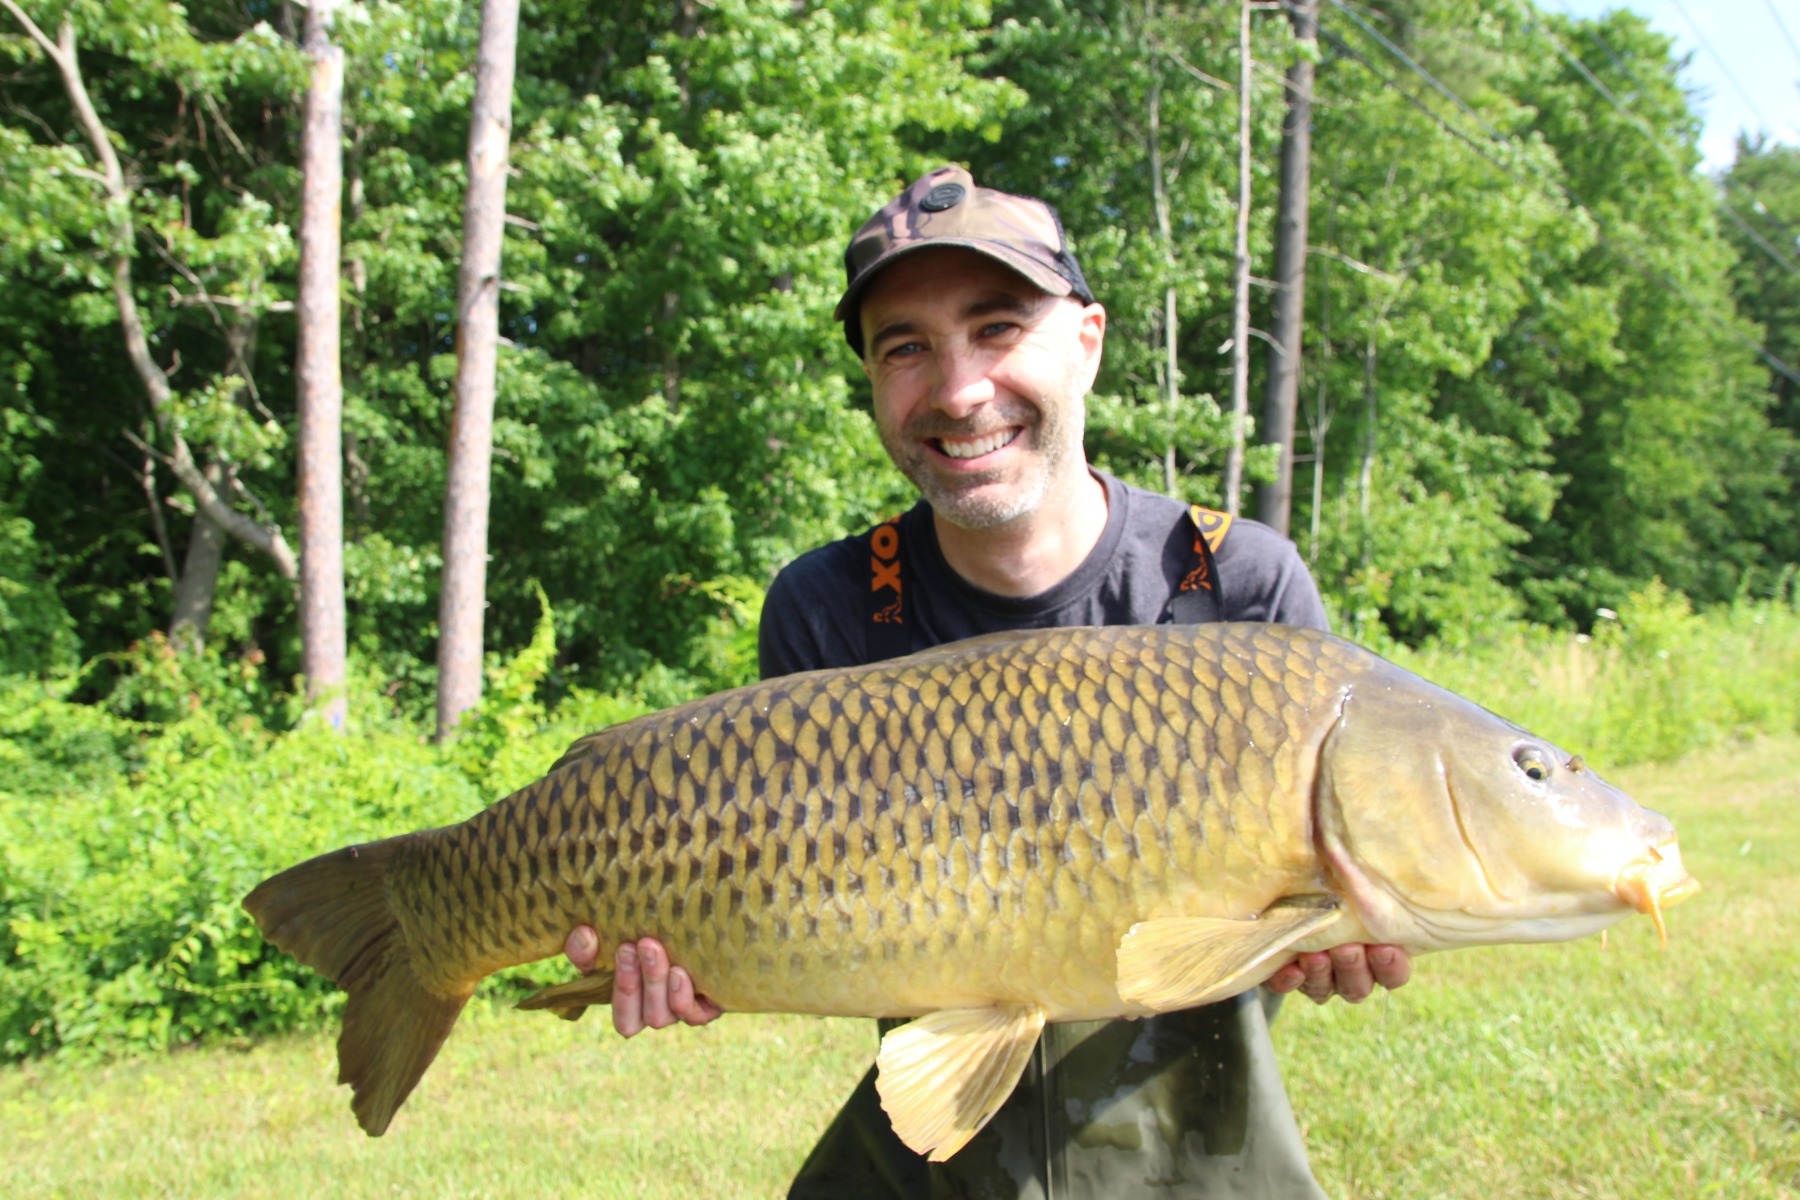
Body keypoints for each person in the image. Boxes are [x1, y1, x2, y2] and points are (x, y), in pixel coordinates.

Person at [563, 166, 1412, 1198]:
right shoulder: (829, 605)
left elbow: (1312, 906)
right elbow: (795, 918)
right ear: (872, 380)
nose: (959, 391)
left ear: (1087, 340)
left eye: (999, 327)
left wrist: (1333, 936)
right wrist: (695, 952)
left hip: (1195, 1150)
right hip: (935, 1144)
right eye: (905, 347)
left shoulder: (1235, 580)